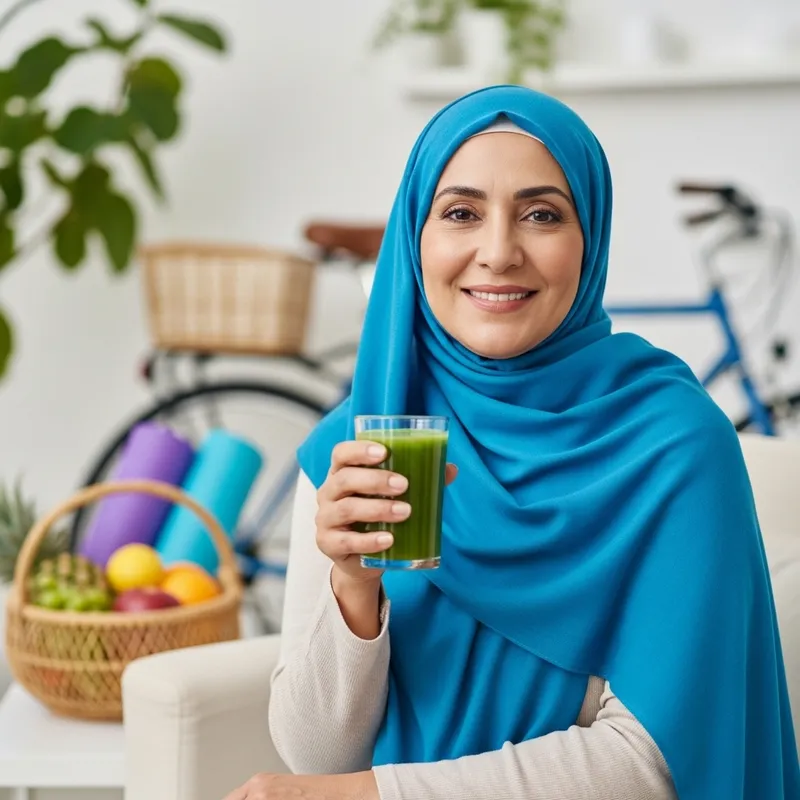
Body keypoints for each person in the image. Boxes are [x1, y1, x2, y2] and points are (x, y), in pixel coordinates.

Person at [223, 85, 800, 800]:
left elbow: (652, 762)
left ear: (589, 240)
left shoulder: (674, 446)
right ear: (416, 237)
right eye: (461, 212)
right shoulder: (365, 436)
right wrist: (354, 585)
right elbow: (318, 754)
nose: (498, 253)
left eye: (541, 214)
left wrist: (372, 797)